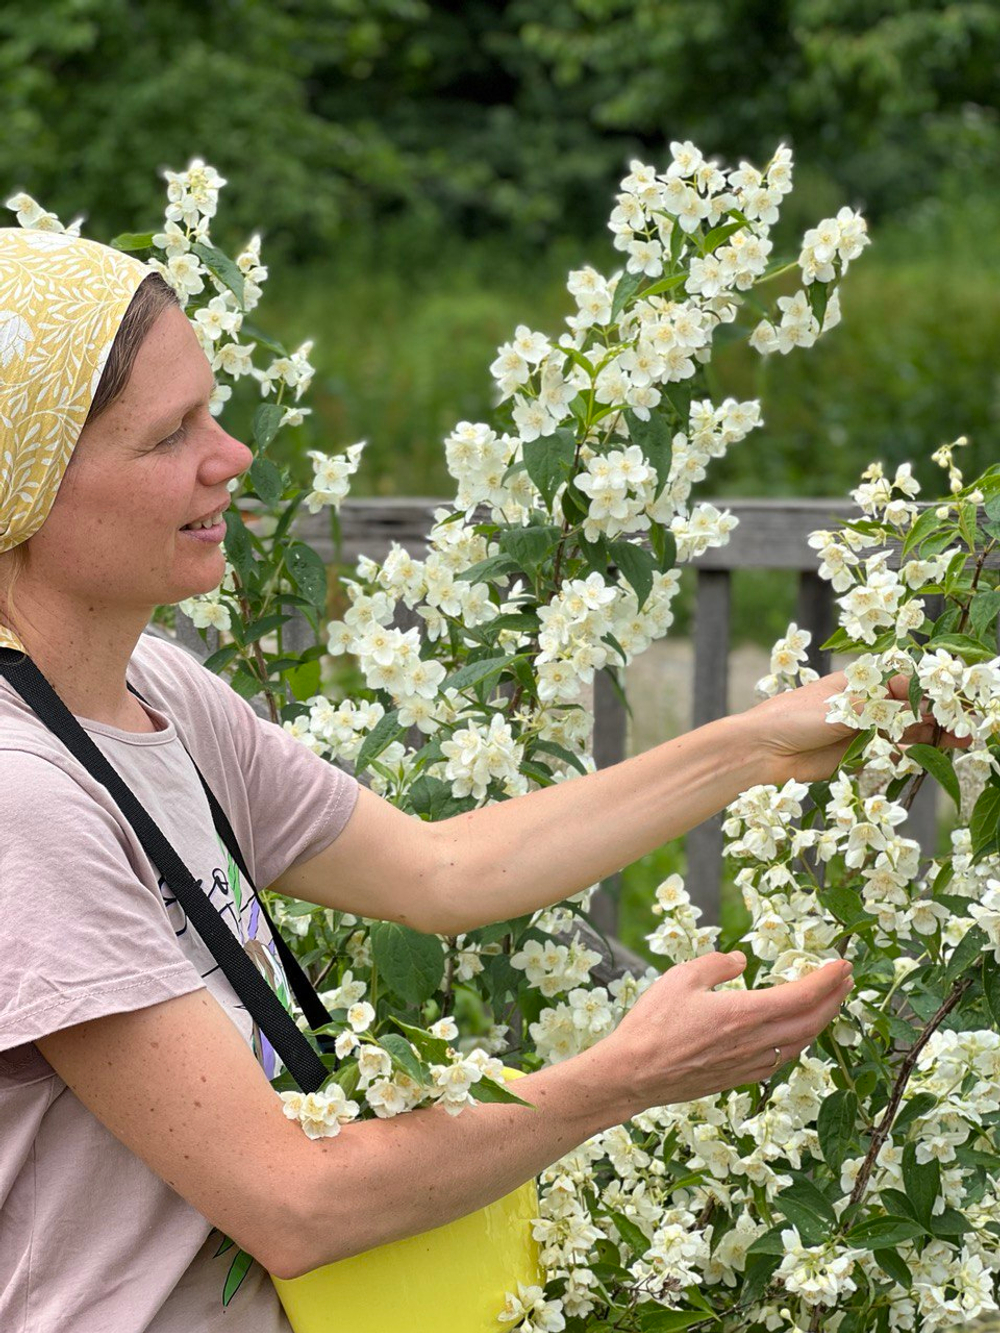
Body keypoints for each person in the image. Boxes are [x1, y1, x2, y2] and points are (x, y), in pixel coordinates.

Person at [0, 228, 967, 1333]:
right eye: (170, 435)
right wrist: (621, 1078)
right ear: (25, 486)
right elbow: (293, 1197)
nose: (231, 456)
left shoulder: (153, 691)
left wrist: (767, 739)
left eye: (211, 411)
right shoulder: (21, 797)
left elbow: (439, 868)